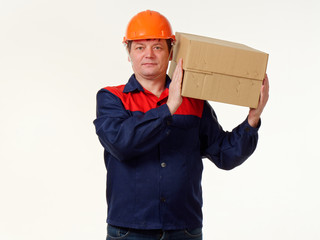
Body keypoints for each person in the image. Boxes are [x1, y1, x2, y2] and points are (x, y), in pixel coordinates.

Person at [93, 10, 269, 240]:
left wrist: (253, 119)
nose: (149, 54)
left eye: (157, 47)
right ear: (129, 53)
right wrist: (169, 107)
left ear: (170, 53)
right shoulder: (112, 98)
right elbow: (121, 144)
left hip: (184, 229)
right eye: (139, 47)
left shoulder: (194, 101)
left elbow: (225, 156)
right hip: (130, 230)